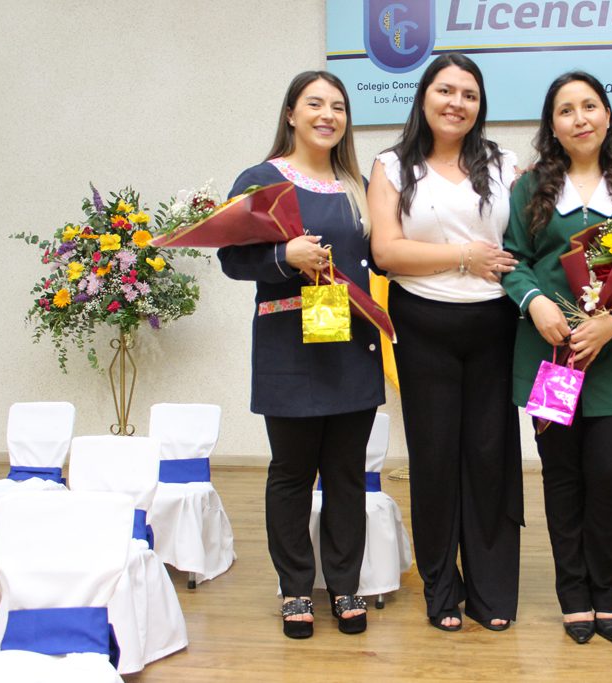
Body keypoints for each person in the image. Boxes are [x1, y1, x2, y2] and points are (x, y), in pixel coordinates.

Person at [218, 71, 382, 639]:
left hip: (350, 345)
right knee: (291, 473)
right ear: (291, 113)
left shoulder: (358, 186)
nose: (327, 115)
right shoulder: (261, 180)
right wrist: (284, 257)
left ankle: (345, 585)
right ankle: (294, 589)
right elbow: (231, 259)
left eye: (338, 106)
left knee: (346, 474)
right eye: (315, 103)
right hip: (289, 347)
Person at [367, 53, 523, 632]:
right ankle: (441, 588)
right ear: (424, 96)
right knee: (433, 459)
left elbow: (525, 240)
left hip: (495, 325)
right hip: (423, 324)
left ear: (480, 105)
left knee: (490, 457)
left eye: (469, 94)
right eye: (446, 90)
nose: (457, 103)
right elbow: (387, 251)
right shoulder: (391, 165)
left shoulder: (504, 163)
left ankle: (491, 590)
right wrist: (464, 256)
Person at [502, 71, 612, 645]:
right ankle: (574, 595)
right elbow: (513, 260)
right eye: (566, 110)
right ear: (553, 126)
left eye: (589, 106)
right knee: (562, 474)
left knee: (611, 473)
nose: (580, 118)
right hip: (550, 358)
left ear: (607, 115)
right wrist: (535, 301)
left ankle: (607, 591)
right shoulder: (529, 189)